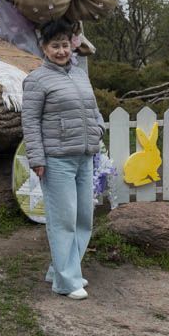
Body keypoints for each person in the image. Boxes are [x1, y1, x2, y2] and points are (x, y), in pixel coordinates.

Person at [21, 18, 105, 300]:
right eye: (55, 46)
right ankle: (66, 282)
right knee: (63, 220)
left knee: (83, 218)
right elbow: (30, 122)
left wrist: (98, 129)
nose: (61, 51)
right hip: (57, 159)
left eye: (65, 45)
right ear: (44, 48)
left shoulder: (80, 74)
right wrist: (37, 158)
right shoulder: (36, 80)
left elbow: (93, 109)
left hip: (84, 156)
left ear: (72, 45)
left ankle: (63, 270)